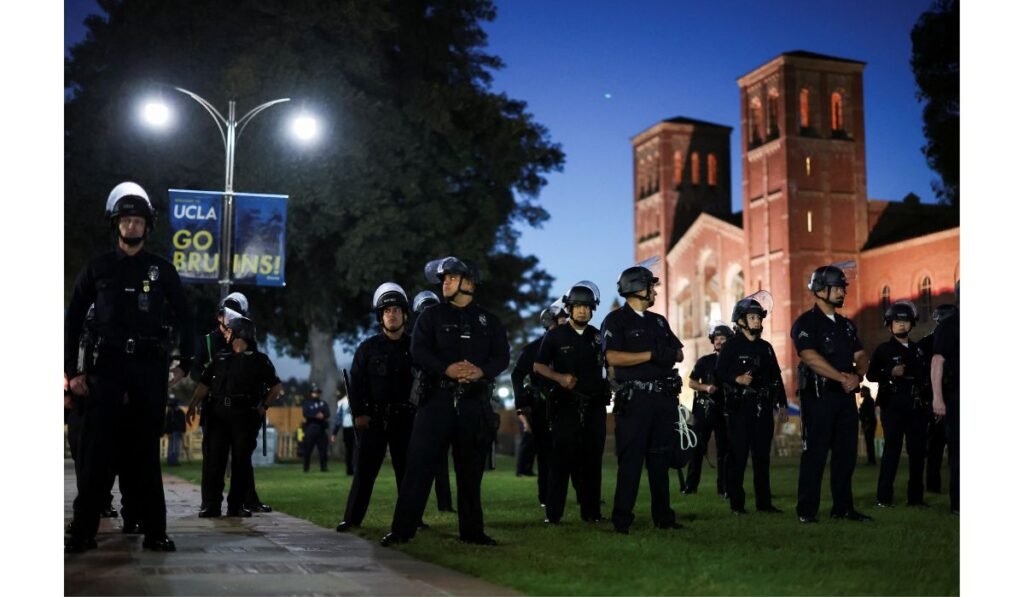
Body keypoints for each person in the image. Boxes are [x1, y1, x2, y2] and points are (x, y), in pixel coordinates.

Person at [64, 181, 194, 553]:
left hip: (148, 372)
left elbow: (187, 317)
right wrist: (72, 371)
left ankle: (155, 531)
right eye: (126, 219)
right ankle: (84, 532)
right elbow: (73, 320)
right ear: (116, 223)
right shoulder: (98, 268)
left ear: (147, 226)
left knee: (144, 455)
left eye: (138, 220)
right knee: (96, 454)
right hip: (105, 371)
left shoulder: (161, 270)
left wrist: (185, 363)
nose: (132, 226)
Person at [381, 256, 510, 546]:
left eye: (451, 277)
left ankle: (472, 532)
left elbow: (502, 355)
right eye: (443, 279)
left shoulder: (489, 321)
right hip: (436, 401)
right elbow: (419, 350)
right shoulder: (431, 317)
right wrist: (447, 368)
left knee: (470, 471)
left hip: (473, 403)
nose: (445, 283)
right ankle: (402, 531)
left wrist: (481, 371)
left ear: (469, 282)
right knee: (418, 469)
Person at [601, 262, 684, 534]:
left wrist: (665, 355)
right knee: (631, 462)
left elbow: (679, 354)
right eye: (651, 287)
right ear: (637, 288)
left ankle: (664, 518)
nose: (654, 292)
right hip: (635, 401)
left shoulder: (659, 321)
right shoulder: (616, 320)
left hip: (662, 400)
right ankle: (622, 520)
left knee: (660, 461)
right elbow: (612, 356)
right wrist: (651, 355)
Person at [791, 264, 872, 523]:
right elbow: (808, 355)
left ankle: (843, 507)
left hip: (845, 397)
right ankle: (807, 511)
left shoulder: (847, 326)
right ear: (820, 290)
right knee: (815, 454)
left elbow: (861, 356)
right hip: (819, 396)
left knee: (846, 454)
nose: (841, 292)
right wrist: (842, 377)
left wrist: (857, 376)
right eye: (837, 288)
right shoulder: (806, 323)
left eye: (842, 288)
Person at [336, 283, 417, 532]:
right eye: (386, 311)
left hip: (406, 421)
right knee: (364, 473)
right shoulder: (367, 349)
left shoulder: (416, 348)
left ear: (404, 314)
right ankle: (352, 519)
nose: (391, 314)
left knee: (408, 476)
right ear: (380, 317)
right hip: (374, 421)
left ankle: (409, 522)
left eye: (396, 310)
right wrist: (360, 414)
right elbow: (357, 384)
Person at [187, 315, 282, 518]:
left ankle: (236, 505)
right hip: (218, 414)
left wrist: (263, 407)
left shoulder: (259, 360)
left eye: (230, 330)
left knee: (241, 462)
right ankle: (211, 505)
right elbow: (204, 384)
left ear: (240, 333)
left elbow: (276, 387)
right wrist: (193, 404)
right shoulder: (221, 357)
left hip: (244, 416)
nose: (226, 334)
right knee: (215, 461)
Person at [533, 282, 610, 524]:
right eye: (577, 306)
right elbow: (538, 366)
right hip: (565, 407)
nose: (582, 311)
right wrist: (560, 378)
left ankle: (592, 514)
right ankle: (553, 515)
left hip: (595, 408)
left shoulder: (598, 337)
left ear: (592, 309)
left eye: (587, 307)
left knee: (592, 463)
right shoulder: (555, 335)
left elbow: (608, 367)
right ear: (568, 308)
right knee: (561, 463)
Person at [716, 293, 787, 515]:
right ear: (741, 321)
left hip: (763, 408)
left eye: (759, 317)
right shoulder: (731, 346)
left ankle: (764, 503)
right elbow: (719, 372)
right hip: (740, 409)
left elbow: (776, 376)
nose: (757, 321)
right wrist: (737, 379)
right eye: (753, 317)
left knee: (762, 457)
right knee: (737, 457)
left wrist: (782, 404)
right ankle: (737, 504)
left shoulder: (766, 348)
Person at [867, 300, 930, 508]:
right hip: (893, 405)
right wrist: (890, 372)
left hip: (916, 406)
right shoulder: (883, 350)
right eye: (897, 321)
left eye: (905, 321)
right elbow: (871, 374)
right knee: (891, 451)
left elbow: (925, 378)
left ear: (912, 323)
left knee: (918, 452)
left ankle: (916, 499)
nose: (901, 325)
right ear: (889, 324)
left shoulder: (919, 349)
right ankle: (884, 498)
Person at [511, 301, 565, 507]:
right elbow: (517, 375)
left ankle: (585, 498)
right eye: (561, 321)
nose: (565, 324)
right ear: (550, 323)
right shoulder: (534, 348)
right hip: (542, 407)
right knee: (545, 455)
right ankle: (546, 497)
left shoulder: (570, 347)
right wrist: (522, 403)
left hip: (567, 405)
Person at [410, 290, 455, 513]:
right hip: (417, 404)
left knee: (439, 459)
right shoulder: (413, 343)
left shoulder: (445, 343)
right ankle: (414, 511)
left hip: (439, 401)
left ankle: (444, 504)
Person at [681, 324, 732, 497]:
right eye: (716, 339)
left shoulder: (734, 362)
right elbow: (691, 383)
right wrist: (706, 387)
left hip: (725, 409)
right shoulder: (704, 361)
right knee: (697, 448)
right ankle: (691, 486)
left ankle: (724, 487)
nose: (719, 341)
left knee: (723, 450)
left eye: (723, 338)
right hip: (704, 409)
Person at [922, 303, 957, 493]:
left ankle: (936, 486)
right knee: (938, 446)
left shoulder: (928, 341)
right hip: (939, 399)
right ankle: (935, 485)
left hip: (943, 397)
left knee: (940, 448)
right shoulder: (929, 342)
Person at [931, 285, 959, 515]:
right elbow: (937, 362)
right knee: (960, 452)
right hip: (957, 395)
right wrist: (938, 399)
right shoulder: (950, 325)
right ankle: (959, 504)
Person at [301, 385, 331, 472]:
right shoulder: (307, 403)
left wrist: (323, 416)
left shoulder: (323, 403)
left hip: (321, 428)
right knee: (308, 449)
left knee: (323, 450)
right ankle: (306, 468)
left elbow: (327, 413)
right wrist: (316, 416)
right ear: (311, 393)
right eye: (314, 392)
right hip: (311, 428)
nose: (316, 394)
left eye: (317, 392)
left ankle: (323, 467)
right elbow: (305, 413)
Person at [331, 395, 355, 476]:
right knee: (355, 450)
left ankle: (350, 470)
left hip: (347, 427)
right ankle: (354, 469)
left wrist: (334, 433)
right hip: (355, 427)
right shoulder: (357, 398)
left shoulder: (342, 402)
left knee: (349, 450)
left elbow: (338, 419)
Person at [858, 387, 878, 466]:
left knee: (869, 442)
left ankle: (871, 460)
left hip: (869, 424)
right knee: (869, 442)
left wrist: (866, 423)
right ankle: (871, 460)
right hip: (869, 423)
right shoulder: (868, 400)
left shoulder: (869, 401)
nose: (861, 393)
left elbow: (868, 414)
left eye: (862, 391)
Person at [164, 397, 187, 466]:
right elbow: (168, 423)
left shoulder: (179, 412)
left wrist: (183, 431)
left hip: (177, 431)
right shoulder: (171, 413)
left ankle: (173, 460)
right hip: (173, 431)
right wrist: (168, 432)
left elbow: (183, 423)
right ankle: (172, 461)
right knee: (173, 447)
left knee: (175, 447)